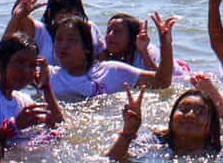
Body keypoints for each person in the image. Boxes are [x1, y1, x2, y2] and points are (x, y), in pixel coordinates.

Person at [47, 14, 175, 103]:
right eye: (59, 39)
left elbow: (162, 82)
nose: (63, 45)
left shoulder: (112, 71)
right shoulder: (47, 75)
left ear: (87, 46)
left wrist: (165, 44)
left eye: (72, 40)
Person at [106, 74, 223, 160]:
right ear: (171, 119)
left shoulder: (221, 150)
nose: (190, 115)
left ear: (211, 125)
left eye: (200, 112)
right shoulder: (154, 143)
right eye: (183, 109)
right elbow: (111, 161)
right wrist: (128, 132)